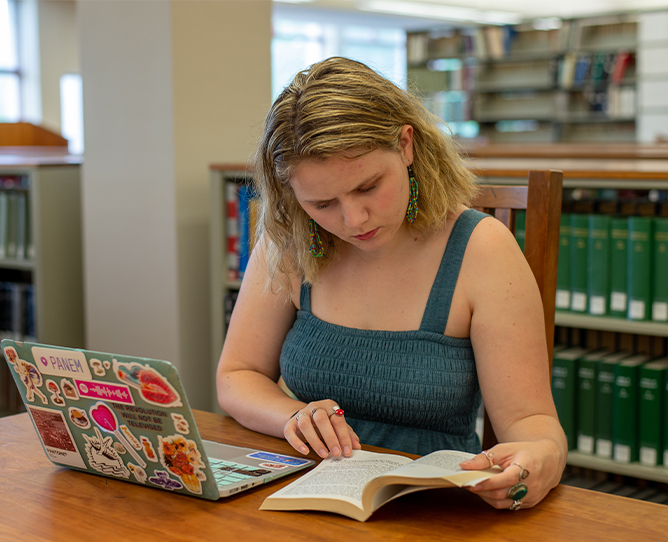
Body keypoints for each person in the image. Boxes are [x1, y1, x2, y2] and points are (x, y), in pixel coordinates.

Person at [216, 57, 567, 511]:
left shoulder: (482, 250)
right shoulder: (292, 238)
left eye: (367, 187)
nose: (352, 220)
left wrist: (542, 456)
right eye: (322, 203)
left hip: (435, 510)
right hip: (307, 493)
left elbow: (531, 422)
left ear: (406, 145)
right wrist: (295, 416)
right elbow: (236, 375)